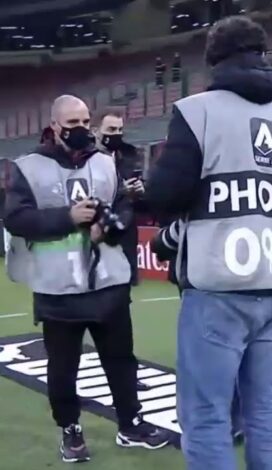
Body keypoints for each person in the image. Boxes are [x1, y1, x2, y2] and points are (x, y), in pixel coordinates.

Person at [145, 16, 272, 470]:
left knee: (207, 415)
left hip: (218, 284)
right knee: (264, 412)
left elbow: (164, 195)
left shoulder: (197, 111)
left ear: (214, 60)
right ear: (263, 54)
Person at [3, 95, 169, 464]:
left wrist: (109, 227)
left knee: (121, 361)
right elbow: (15, 219)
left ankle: (131, 424)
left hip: (108, 281)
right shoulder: (29, 167)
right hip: (57, 288)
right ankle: (70, 429)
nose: (80, 129)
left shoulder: (106, 162)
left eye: (83, 122)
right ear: (54, 126)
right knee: (63, 369)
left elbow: (122, 206)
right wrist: (68, 217)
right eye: (71, 123)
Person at [150, 219, 245, 444]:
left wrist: (161, 241)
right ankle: (234, 420)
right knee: (232, 355)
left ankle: (218, 424)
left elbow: (165, 239)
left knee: (206, 359)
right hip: (230, 277)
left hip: (206, 280)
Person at [94, 108, 152, 392]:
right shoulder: (84, 159)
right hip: (93, 244)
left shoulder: (129, 156)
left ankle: (127, 378)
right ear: (96, 131)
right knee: (83, 316)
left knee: (121, 318)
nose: (116, 135)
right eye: (110, 130)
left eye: (119, 130)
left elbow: (142, 205)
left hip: (123, 244)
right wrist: (121, 192)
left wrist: (140, 192)